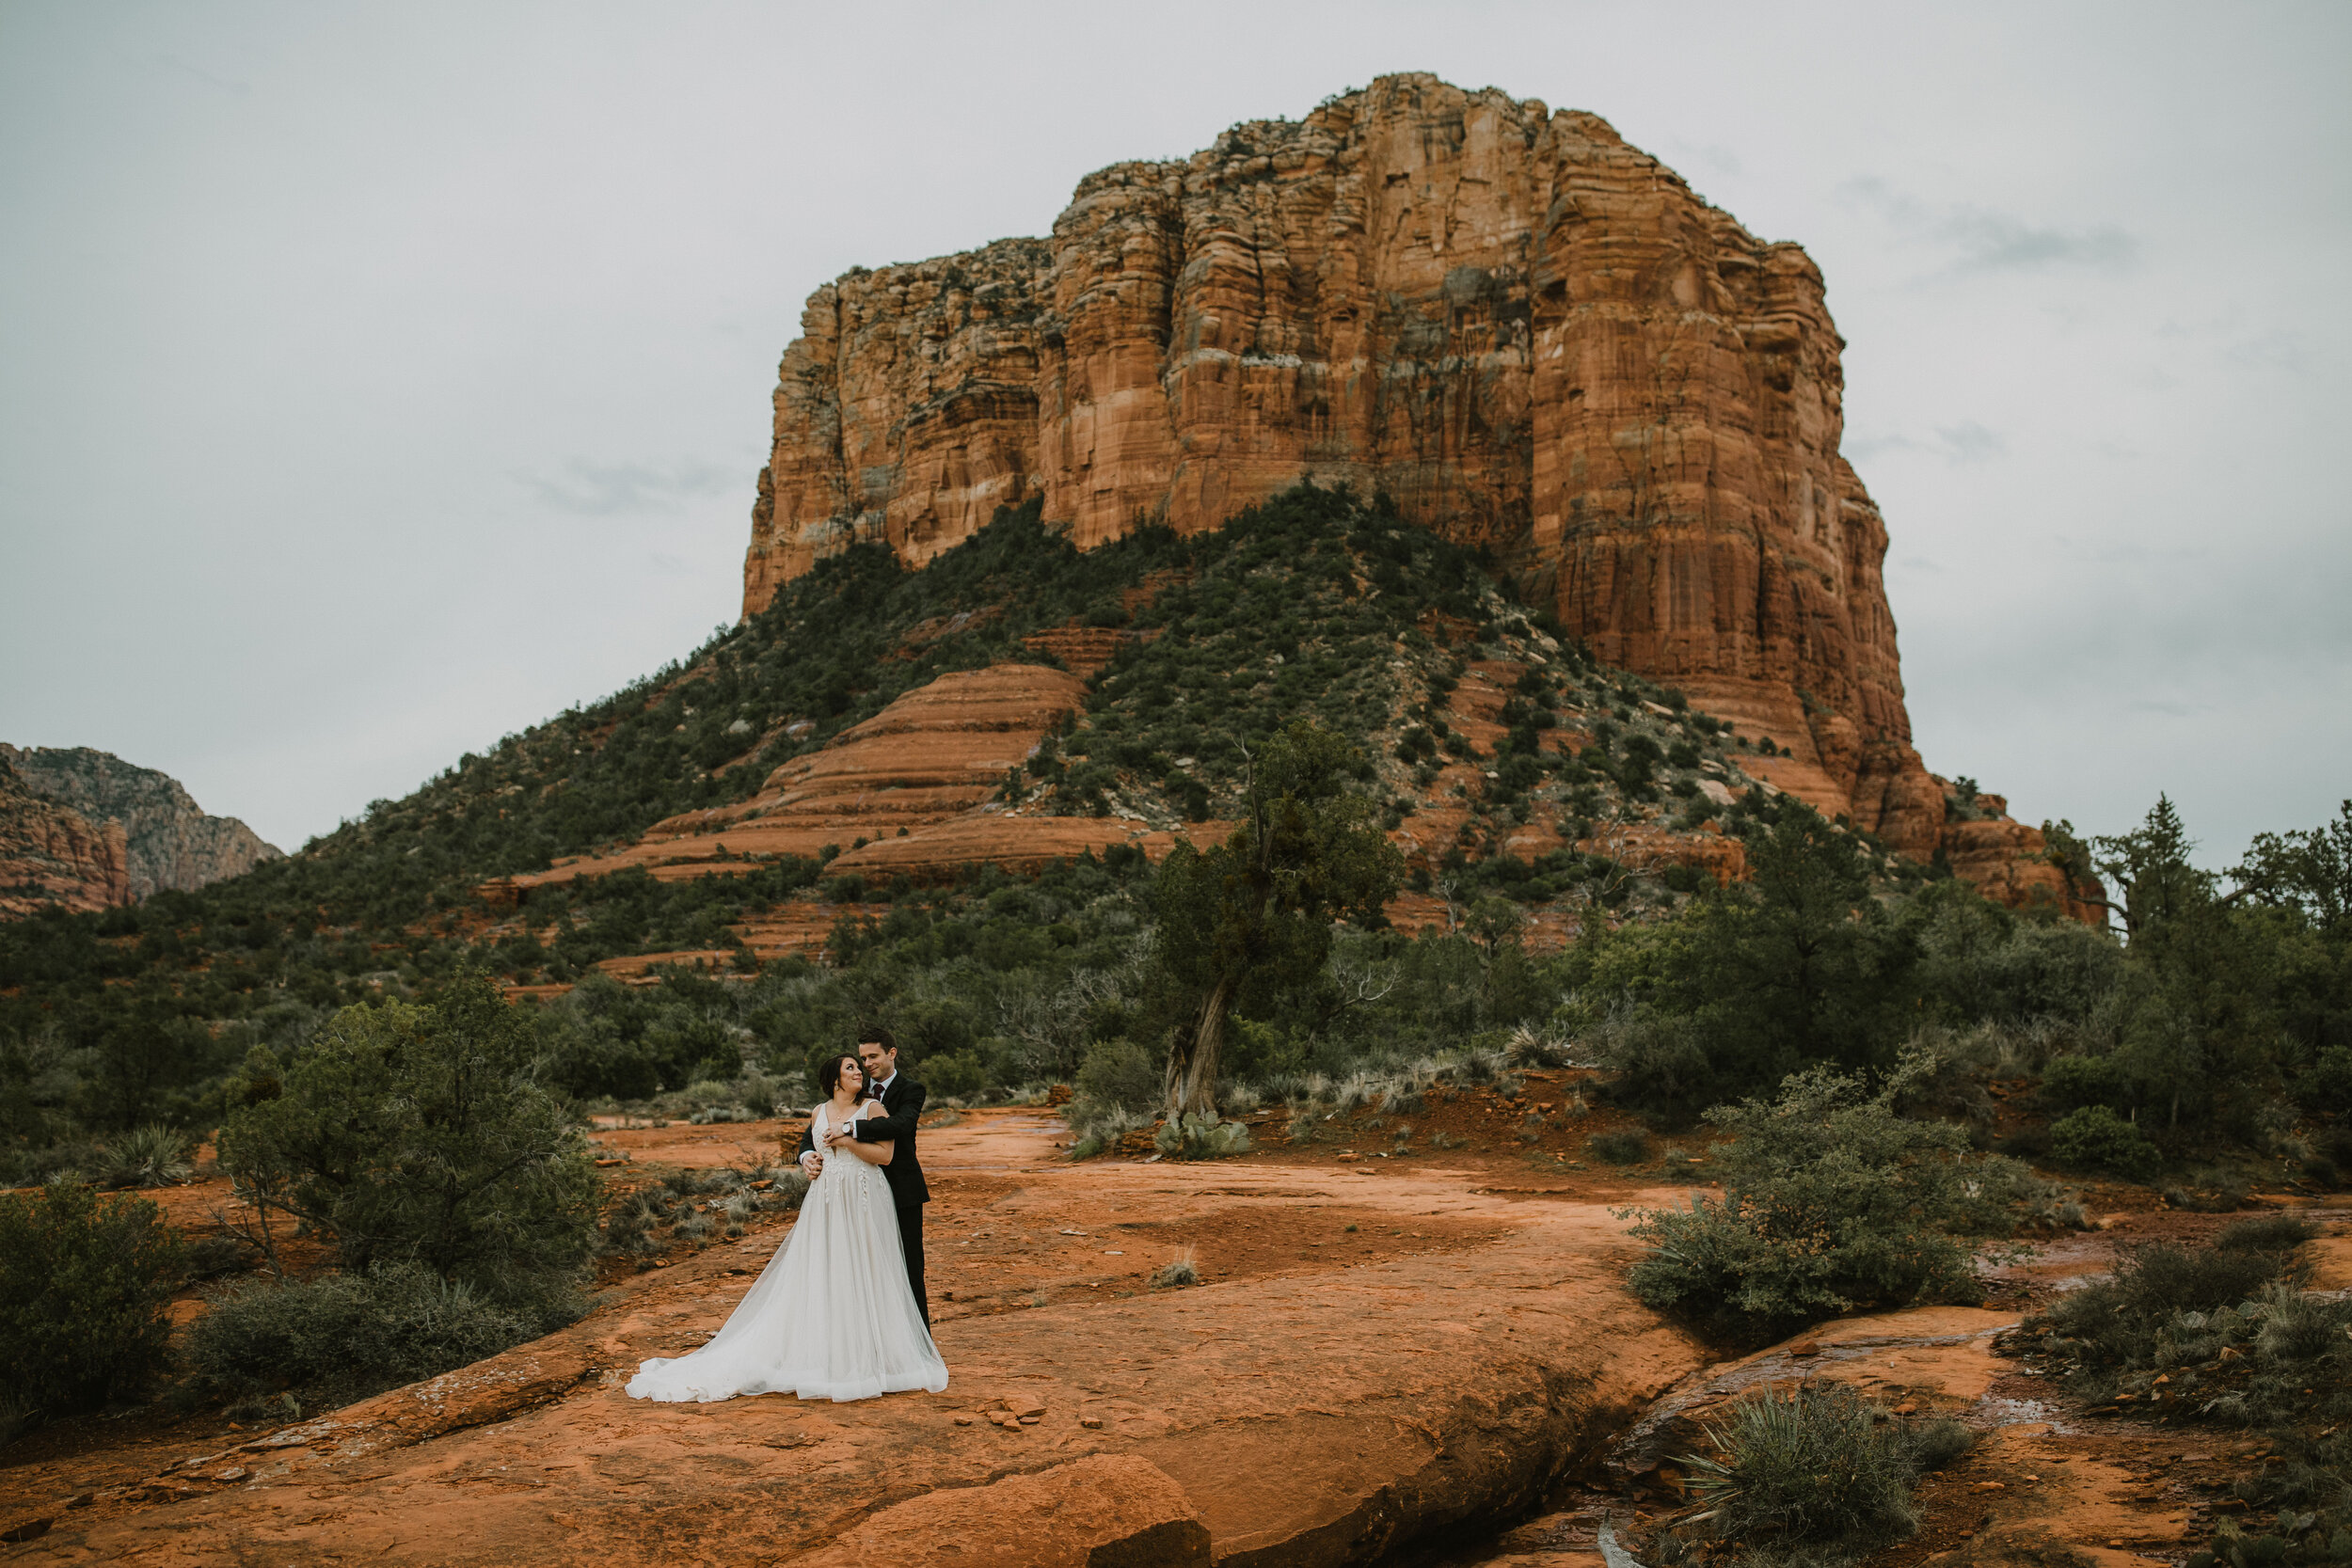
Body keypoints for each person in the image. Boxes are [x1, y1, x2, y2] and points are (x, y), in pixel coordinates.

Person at [624, 1053, 946, 1404]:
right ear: (834, 1080)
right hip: (826, 1198)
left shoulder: (872, 1109)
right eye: (851, 1067)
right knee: (825, 1270)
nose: (860, 1071)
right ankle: (827, 1351)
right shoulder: (818, 1112)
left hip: (865, 1194)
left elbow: (884, 1156)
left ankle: (880, 1356)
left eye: (861, 1065)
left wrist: (847, 1141)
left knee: (869, 1267)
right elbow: (809, 1144)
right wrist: (807, 1158)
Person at [798, 1029, 931, 1324]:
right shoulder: (853, 1090)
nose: (866, 1064)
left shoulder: (910, 1089)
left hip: (901, 1191)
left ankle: (919, 1349)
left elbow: (900, 1125)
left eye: (872, 1057)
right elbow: (813, 1135)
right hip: (848, 1197)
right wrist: (806, 1156)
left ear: (891, 1053)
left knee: (907, 1271)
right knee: (850, 1268)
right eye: (861, 1059)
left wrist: (849, 1130)